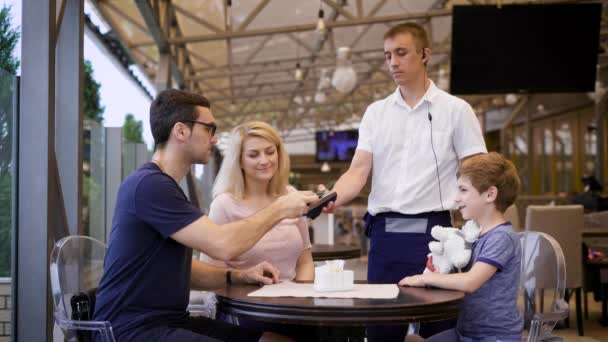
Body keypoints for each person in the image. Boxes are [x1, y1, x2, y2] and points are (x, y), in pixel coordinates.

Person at [93, 89, 318, 342]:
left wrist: (238, 276)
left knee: (278, 339)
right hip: (131, 330)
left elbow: (183, 270)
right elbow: (223, 245)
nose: (214, 139)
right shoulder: (149, 185)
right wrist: (280, 208)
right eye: (209, 129)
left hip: (169, 320)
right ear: (180, 131)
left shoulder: (166, 188)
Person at [320, 22, 487, 340]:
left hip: (437, 233)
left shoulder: (456, 110)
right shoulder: (375, 113)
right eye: (387, 56)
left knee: (440, 328)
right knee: (382, 327)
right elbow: (358, 170)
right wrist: (333, 196)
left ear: (425, 54)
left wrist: (480, 226)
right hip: (385, 237)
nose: (393, 62)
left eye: (401, 53)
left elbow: (476, 170)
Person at [197, 121, 314, 340]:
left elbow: (305, 259)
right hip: (245, 312)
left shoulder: (290, 196)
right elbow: (212, 275)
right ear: (239, 161)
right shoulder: (224, 205)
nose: (265, 161)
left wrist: (302, 297)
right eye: (253, 155)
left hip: (293, 309)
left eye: (270, 152)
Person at [399, 152, 523, 342]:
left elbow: (470, 282)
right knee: (411, 340)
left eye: (463, 190)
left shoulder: (502, 238)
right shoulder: (474, 234)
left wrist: (425, 278)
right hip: (466, 332)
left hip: (494, 337)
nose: (456, 198)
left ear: (490, 194)